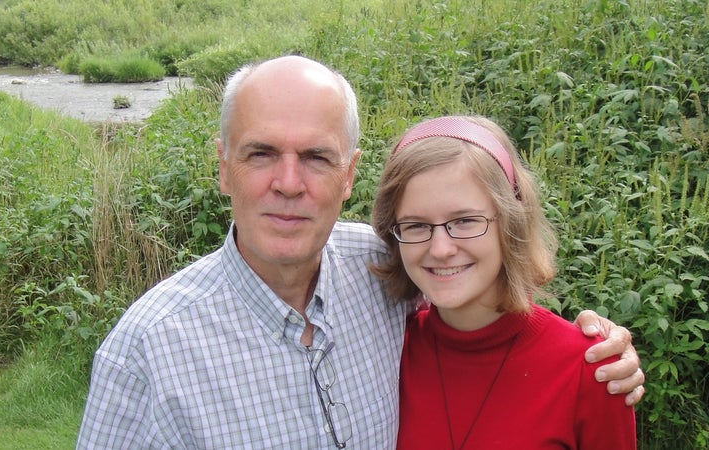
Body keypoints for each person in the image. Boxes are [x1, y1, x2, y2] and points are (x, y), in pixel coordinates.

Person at [76, 56, 644, 449]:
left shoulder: (379, 272)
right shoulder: (146, 353)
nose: (289, 183)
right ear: (223, 168)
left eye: (317, 157)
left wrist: (595, 342)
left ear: (348, 175)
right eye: (261, 153)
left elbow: (486, 307)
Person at [369, 115, 637, 449]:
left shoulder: (593, 369)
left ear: (511, 222)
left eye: (465, 221)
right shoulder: (388, 350)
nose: (440, 249)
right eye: (416, 226)